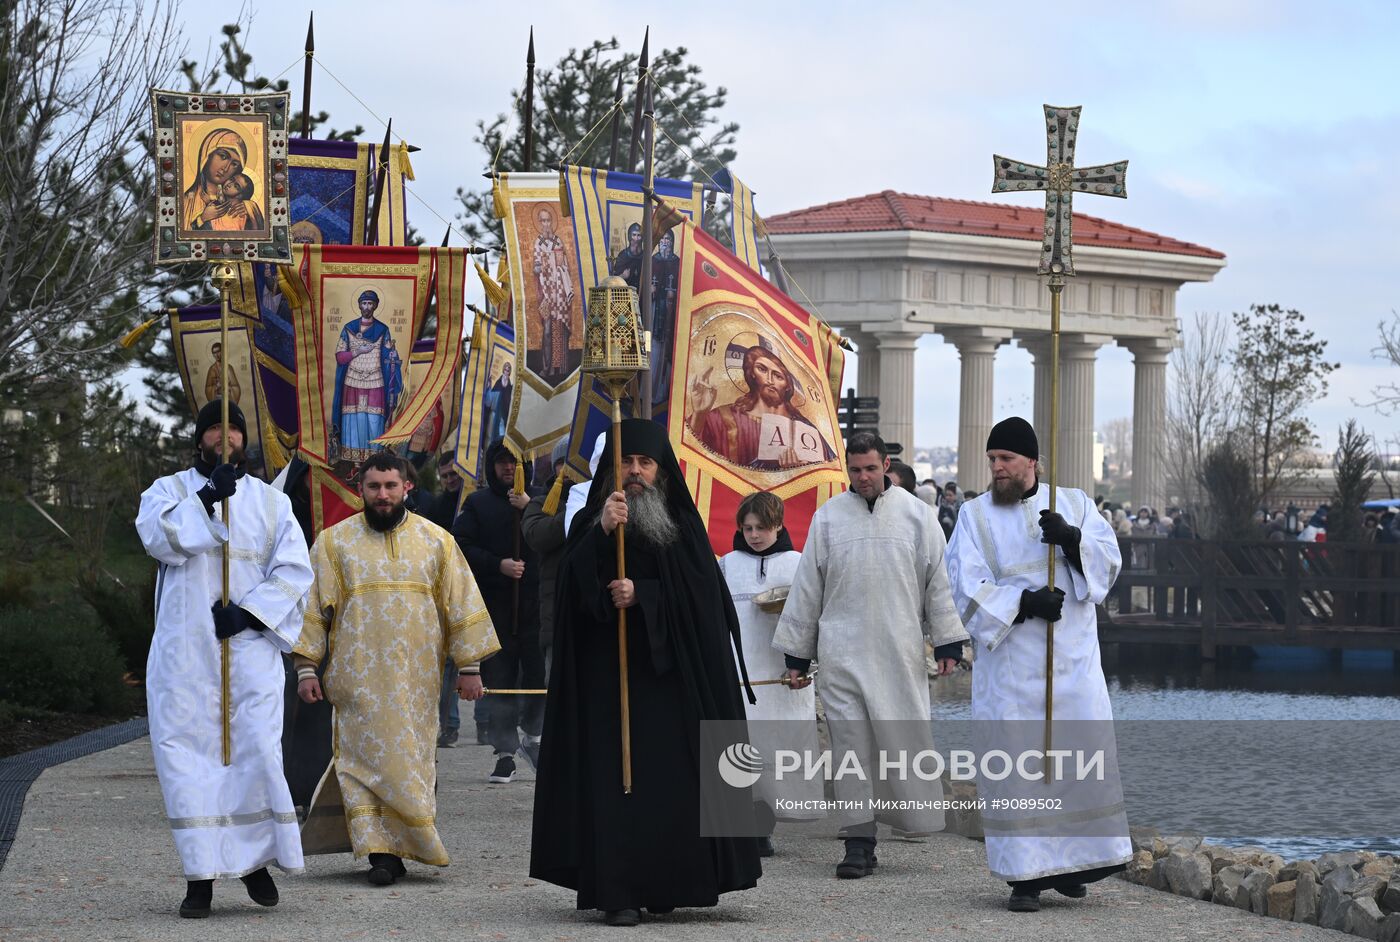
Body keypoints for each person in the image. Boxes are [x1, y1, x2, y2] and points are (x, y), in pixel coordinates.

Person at [530, 418, 762, 927]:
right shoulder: (593, 521)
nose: (634, 472)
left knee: (673, 785)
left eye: (644, 463)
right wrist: (601, 537)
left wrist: (646, 595)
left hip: (670, 683)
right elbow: (568, 593)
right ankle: (618, 891)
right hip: (606, 683)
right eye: (625, 463)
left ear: (661, 470)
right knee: (613, 785)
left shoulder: (681, 524)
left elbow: (705, 601)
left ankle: (668, 885)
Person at [945, 416, 1131, 913]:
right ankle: (1025, 878)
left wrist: (1072, 541)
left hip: (1072, 666)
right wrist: (1024, 603)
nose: (997, 468)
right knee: (1018, 768)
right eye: (992, 460)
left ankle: (1075, 867)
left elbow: (1108, 563)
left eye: (1006, 459)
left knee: (1076, 760)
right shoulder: (974, 516)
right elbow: (965, 583)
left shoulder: (1073, 503)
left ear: (1031, 461)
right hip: (1011, 672)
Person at [135, 399, 313, 918]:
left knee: (256, 751)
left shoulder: (271, 503)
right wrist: (208, 498)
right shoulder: (168, 491)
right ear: (199, 438)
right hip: (185, 655)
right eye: (214, 428)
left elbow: (295, 571)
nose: (225, 437)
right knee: (187, 761)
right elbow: (158, 540)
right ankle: (200, 878)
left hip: (248, 652)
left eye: (233, 429)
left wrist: (251, 615)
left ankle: (253, 862)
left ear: (244, 439)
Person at [293, 452, 500, 885]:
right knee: (360, 766)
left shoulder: (437, 541)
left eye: (391, 486)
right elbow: (311, 611)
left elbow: (460, 604)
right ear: (361, 490)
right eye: (374, 487)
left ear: (407, 486)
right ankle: (380, 855)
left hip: (417, 684)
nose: (383, 495)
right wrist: (306, 668)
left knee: (409, 765)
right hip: (357, 685)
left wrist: (470, 666)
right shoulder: (334, 543)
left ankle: (403, 847)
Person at [773, 431, 968, 880]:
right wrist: (797, 657)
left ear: (885, 466)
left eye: (870, 468)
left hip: (898, 650)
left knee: (902, 743)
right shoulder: (828, 519)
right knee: (850, 750)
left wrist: (947, 641)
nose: (862, 477)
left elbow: (939, 583)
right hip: (841, 651)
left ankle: (906, 820)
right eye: (855, 470)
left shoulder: (919, 518)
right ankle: (858, 841)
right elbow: (808, 590)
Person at [720, 492, 823, 858]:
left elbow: (814, 620)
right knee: (741, 748)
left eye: (761, 527)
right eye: (747, 528)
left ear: (778, 524)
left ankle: (765, 826)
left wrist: (808, 665)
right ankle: (745, 826)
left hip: (783, 675)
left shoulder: (799, 564)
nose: (754, 535)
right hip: (741, 672)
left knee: (779, 751)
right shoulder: (727, 565)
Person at [453, 439, 545, 781]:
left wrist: (533, 504)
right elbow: (460, 546)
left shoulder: (542, 499)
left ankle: (533, 738)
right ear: (492, 465)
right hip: (496, 609)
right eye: (503, 462)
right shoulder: (478, 503)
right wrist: (498, 564)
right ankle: (505, 751)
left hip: (536, 608)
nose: (509, 469)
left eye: (516, 463)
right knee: (500, 680)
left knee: (538, 678)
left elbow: (559, 534)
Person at [689, 344, 835, 470]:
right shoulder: (722, 417)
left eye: (778, 376)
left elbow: (829, 470)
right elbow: (688, 456)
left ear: (787, 386)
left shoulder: (804, 428)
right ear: (751, 373)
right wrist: (699, 413)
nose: (770, 380)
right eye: (762, 369)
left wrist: (800, 470)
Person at [331, 290, 403, 464]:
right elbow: (340, 357)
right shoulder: (348, 328)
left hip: (375, 380)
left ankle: (375, 459)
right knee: (352, 418)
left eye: (370, 304)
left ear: (376, 305)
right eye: (364, 303)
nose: (367, 307)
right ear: (359, 305)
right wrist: (357, 351)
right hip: (352, 380)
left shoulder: (382, 330)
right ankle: (352, 462)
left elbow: (387, 356)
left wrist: (392, 357)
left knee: (373, 419)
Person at [521, 467, 575, 680]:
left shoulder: (601, 500)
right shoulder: (541, 503)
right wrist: (575, 511)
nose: (568, 469)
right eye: (563, 463)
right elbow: (537, 535)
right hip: (556, 620)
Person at [181, 127, 259, 232]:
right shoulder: (188, 201)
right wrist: (202, 218)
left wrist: (251, 209)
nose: (225, 168)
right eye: (223, 156)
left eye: (234, 164)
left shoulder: (243, 207)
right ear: (208, 154)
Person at [532, 204, 575, 381]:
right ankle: (547, 367)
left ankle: (561, 368)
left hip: (560, 292)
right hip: (546, 292)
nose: (546, 224)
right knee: (548, 330)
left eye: (548, 220)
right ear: (539, 223)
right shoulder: (538, 242)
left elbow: (564, 265)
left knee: (561, 328)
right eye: (542, 221)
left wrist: (558, 265)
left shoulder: (558, 241)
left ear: (552, 222)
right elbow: (535, 267)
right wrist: (546, 264)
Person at [609, 221, 645, 289]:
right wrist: (623, 276)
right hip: (626, 293)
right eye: (634, 235)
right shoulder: (623, 256)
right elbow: (614, 279)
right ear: (629, 237)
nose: (636, 239)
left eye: (639, 235)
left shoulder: (645, 256)